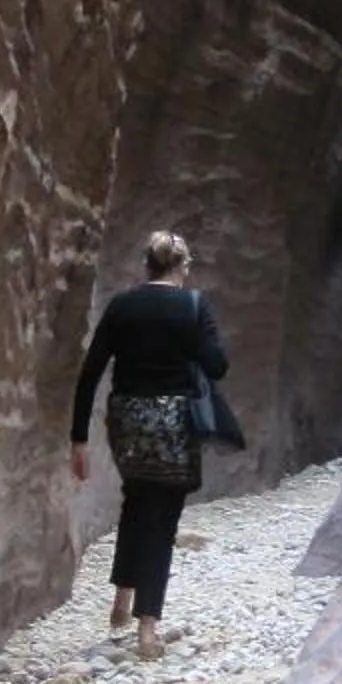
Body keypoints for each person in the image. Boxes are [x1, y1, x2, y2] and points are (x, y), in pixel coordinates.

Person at [68, 230, 230, 659]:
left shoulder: (123, 306)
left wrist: (79, 438)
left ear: (147, 264)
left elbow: (90, 371)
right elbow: (217, 365)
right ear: (183, 266)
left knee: (137, 498)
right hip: (174, 424)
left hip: (127, 422)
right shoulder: (193, 306)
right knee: (163, 516)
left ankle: (122, 598)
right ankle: (147, 628)